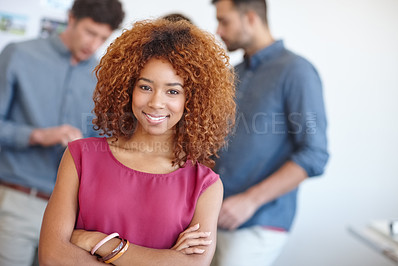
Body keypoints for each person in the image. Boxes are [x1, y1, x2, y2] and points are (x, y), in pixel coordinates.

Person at [38, 18, 236, 265]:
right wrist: (162, 259)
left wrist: (100, 243)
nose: (155, 102)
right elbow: (52, 256)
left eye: (173, 91)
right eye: (145, 87)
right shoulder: (81, 157)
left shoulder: (204, 185)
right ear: (126, 88)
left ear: (192, 101)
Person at [0, 0, 124, 265]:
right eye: (90, 32)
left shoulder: (104, 79)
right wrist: (37, 136)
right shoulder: (19, 54)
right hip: (18, 199)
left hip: (74, 216)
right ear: (70, 19)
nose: (94, 44)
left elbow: (106, 146)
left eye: (103, 37)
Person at [210, 0, 330, 266]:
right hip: (213, 216)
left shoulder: (296, 71)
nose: (218, 30)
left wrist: (250, 201)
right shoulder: (232, 74)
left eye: (224, 21)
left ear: (250, 18)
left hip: (257, 221)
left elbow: (315, 154)